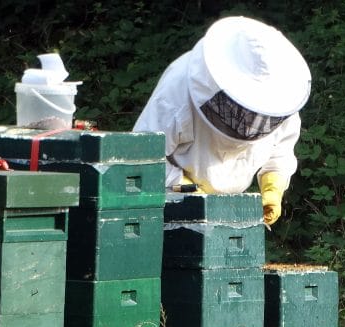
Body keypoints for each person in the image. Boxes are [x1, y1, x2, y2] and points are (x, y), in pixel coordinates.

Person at [132, 16, 311, 226]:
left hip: (228, 208)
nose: (249, 120)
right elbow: (141, 157)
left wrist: (273, 186)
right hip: (170, 202)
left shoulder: (280, 98)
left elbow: (280, 147)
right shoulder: (177, 90)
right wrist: (181, 186)